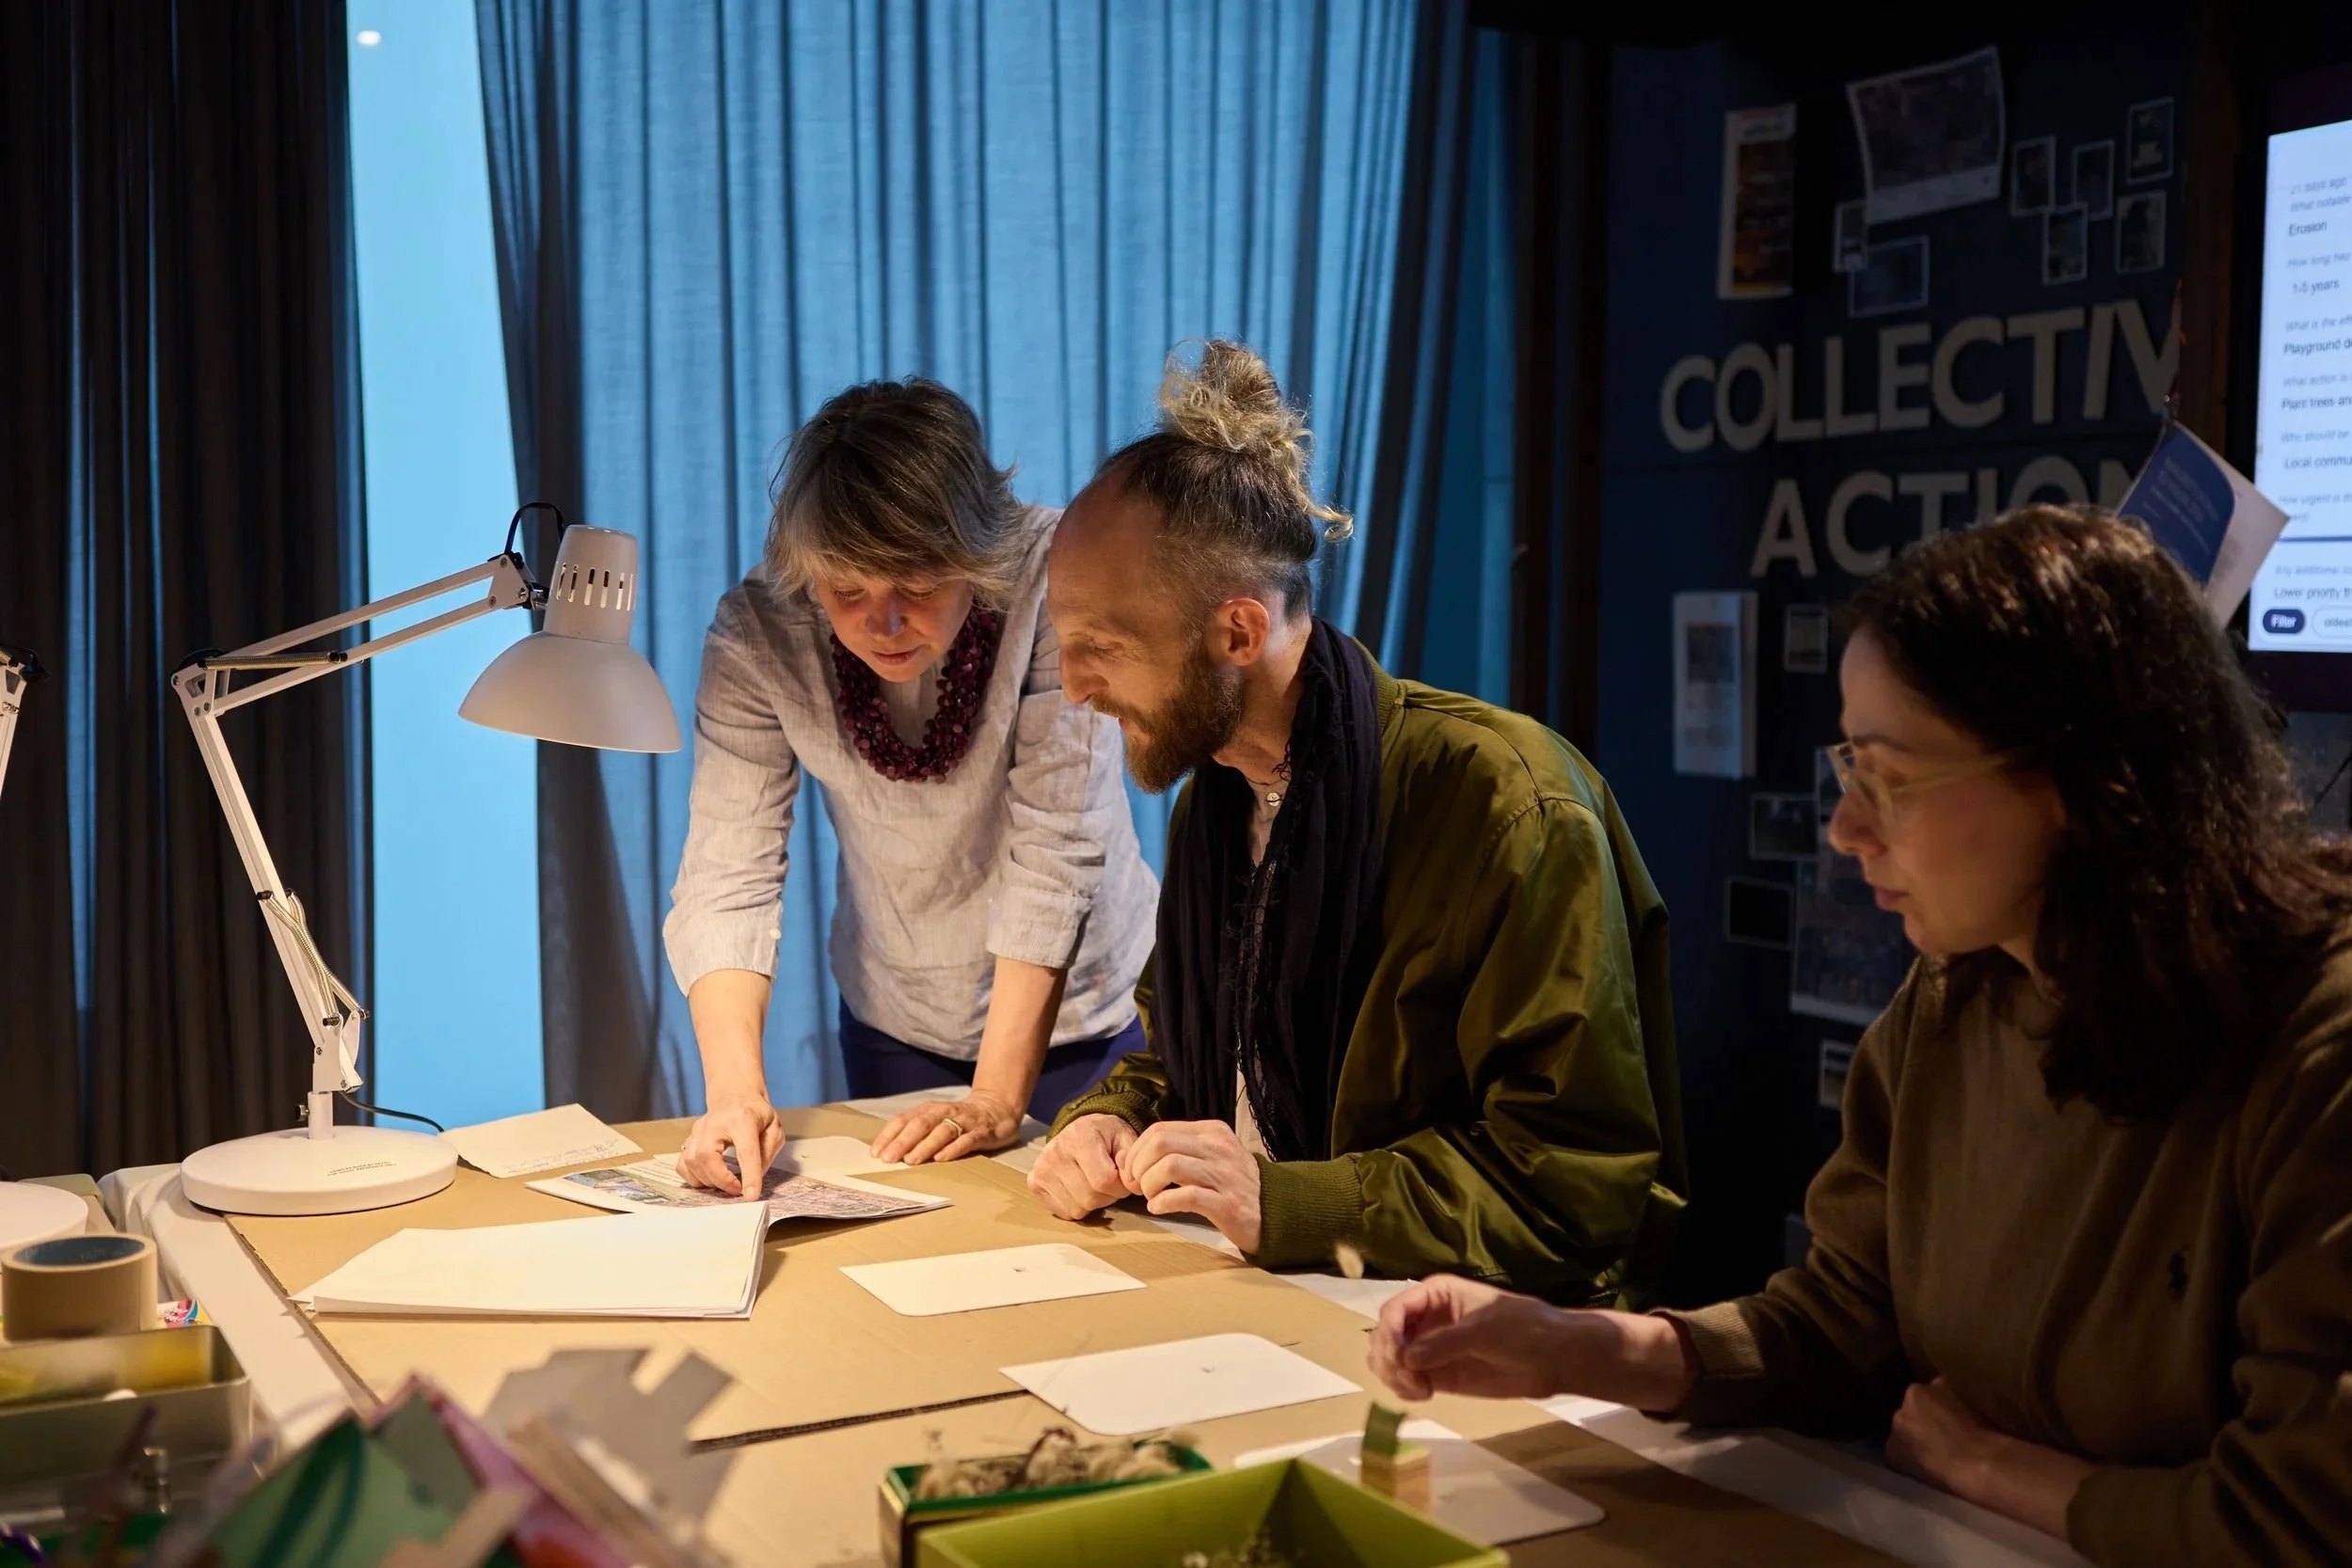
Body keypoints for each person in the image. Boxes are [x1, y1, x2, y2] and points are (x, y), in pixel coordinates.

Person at [1366, 505, 2352, 1566]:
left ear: (2079, 782)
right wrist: (1578, 1345)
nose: (1846, 827)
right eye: (1850, 767)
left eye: (1891, 776)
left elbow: (2297, 1520)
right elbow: (1843, 1320)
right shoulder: (1953, 1000)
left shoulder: (2314, 1040)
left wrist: (1994, 1469)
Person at [1024, 341, 1687, 1304]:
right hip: (1269, 1299)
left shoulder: (1504, 803)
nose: (1078, 687)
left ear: (1238, 634)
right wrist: (1107, 1118)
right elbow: (1195, 1058)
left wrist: (1295, 1202)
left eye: (1104, 649)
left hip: (1479, 1343)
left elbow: (1569, 1184)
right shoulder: (1219, 793)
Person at [664, 379, 1157, 1187]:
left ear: (978, 554)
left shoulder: (1052, 577)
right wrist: (733, 1095)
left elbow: (1057, 851)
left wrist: (997, 1098)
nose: (882, 623)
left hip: (1086, 1018)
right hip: (896, 1012)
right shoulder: (761, 632)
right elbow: (728, 874)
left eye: (919, 586)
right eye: (848, 591)